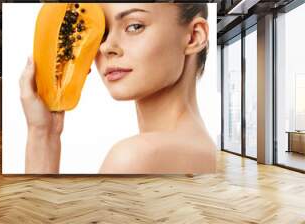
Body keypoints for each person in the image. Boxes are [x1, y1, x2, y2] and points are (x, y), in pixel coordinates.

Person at [20, 3, 216, 174]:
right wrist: (45, 133)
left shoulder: (136, 157)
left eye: (134, 26)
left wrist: (40, 137)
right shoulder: (205, 149)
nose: (106, 47)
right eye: (102, 32)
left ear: (194, 37)